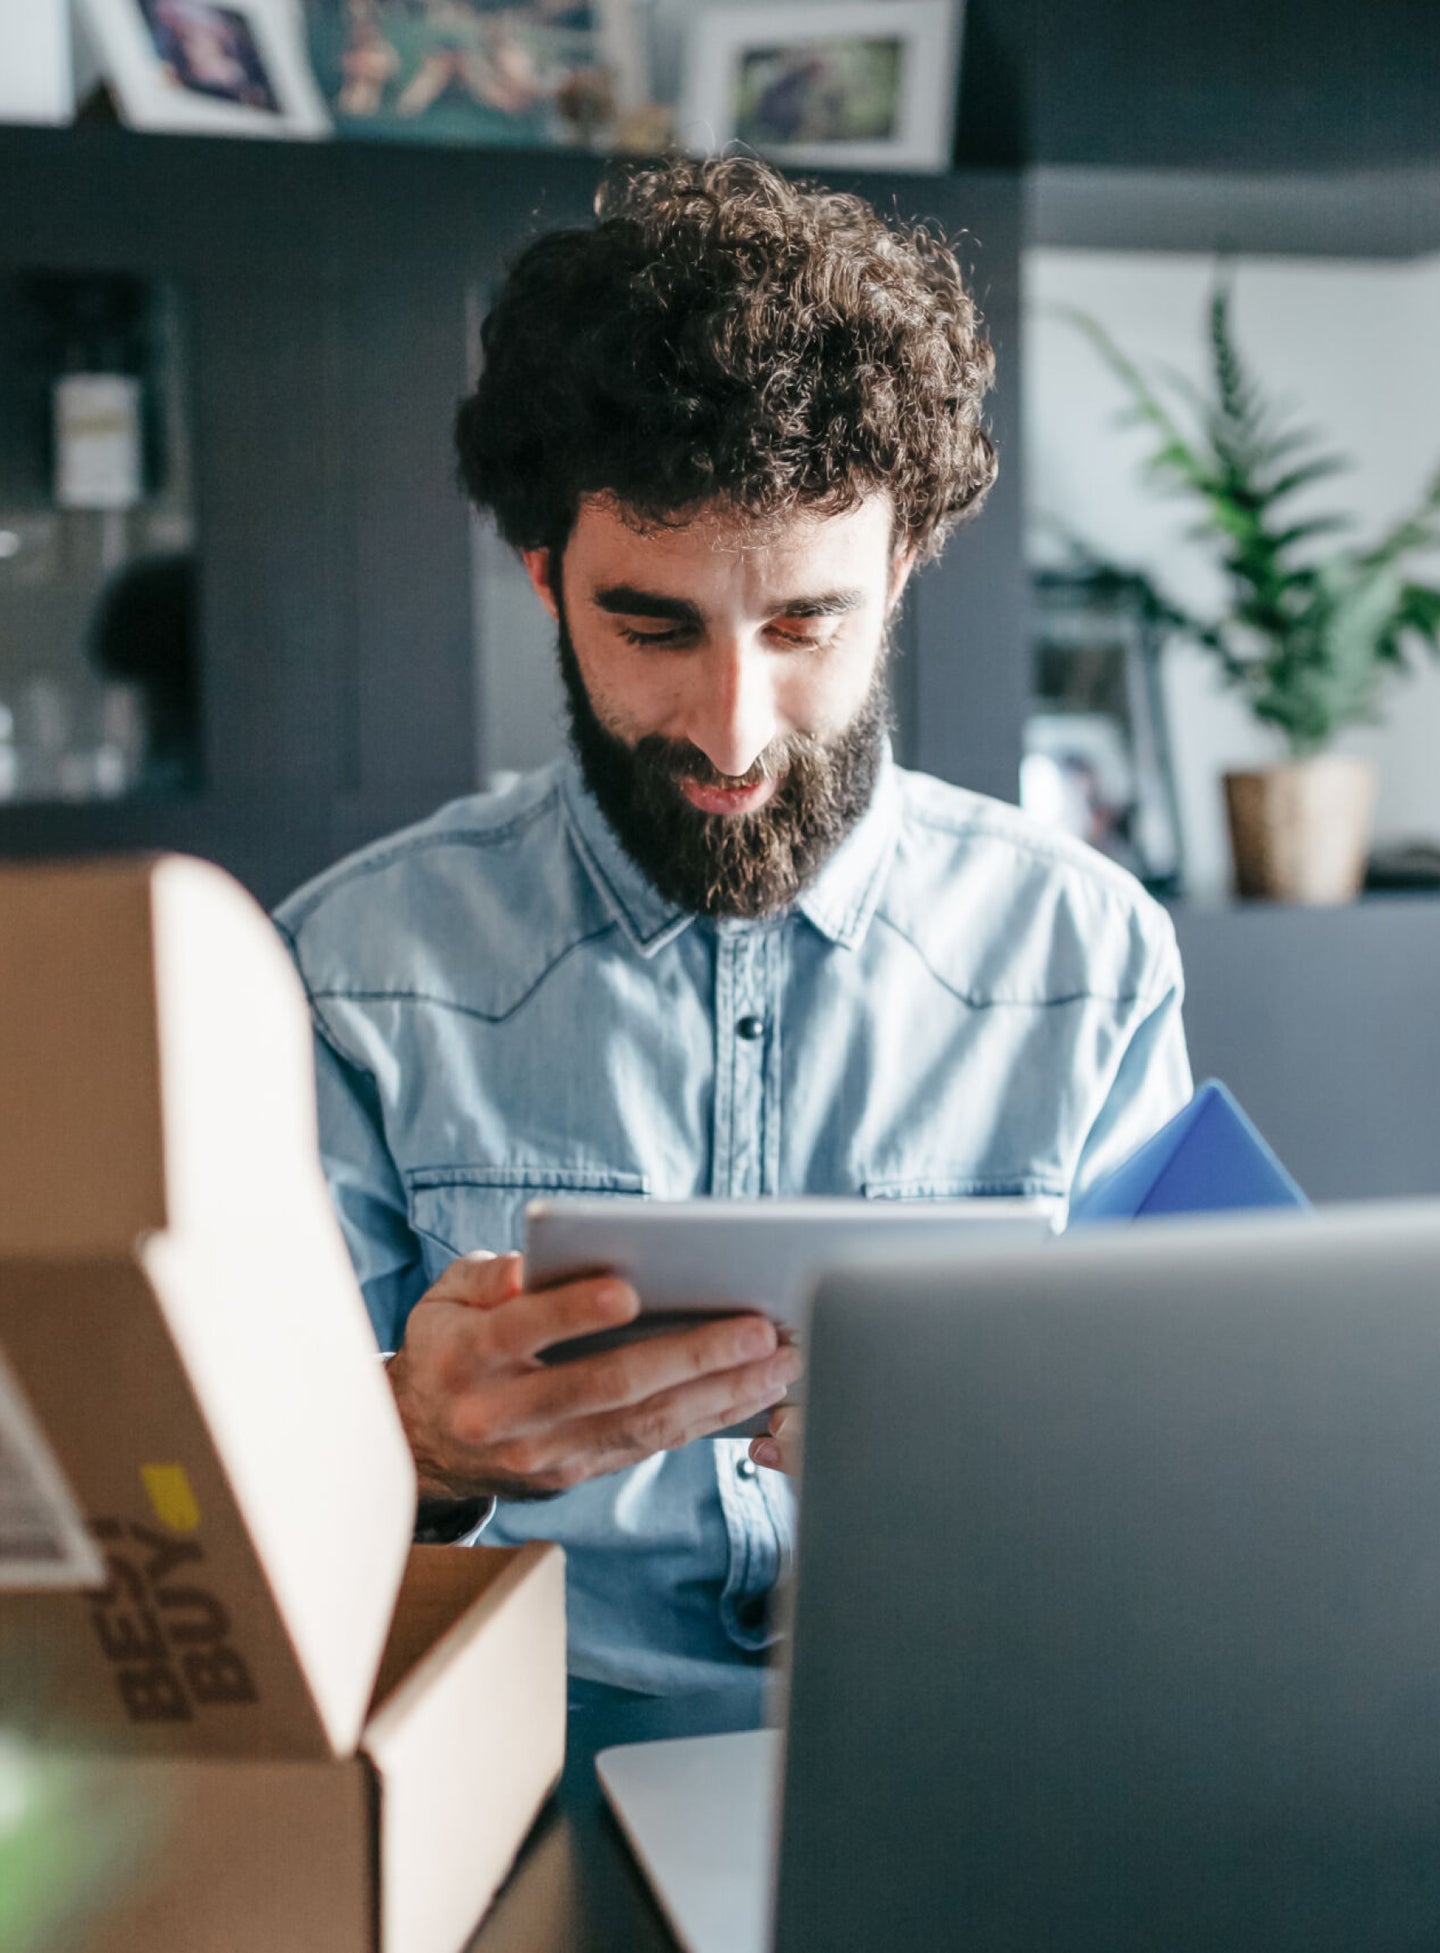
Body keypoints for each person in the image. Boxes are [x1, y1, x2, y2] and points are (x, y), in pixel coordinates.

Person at [274, 156, 1191, 1696]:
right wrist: (418, 1443)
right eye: (653, 625)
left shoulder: (1085, 958)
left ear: (902, 566)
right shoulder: (353, 973)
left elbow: (1196, 1462)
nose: (731, 729)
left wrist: (1031, 1450)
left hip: (960, 1721)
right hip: (510, 1744)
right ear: (545, 575)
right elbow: (220, 1534)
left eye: (804, 622)